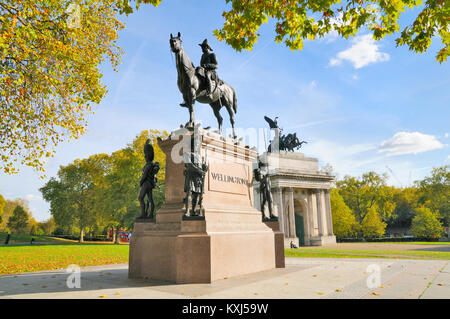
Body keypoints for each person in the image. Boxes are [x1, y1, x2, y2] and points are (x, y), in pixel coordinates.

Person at [138, 140, 160, 219]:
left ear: (148, 156)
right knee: (150, 199)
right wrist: (145, 144)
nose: (144, 157)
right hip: (149, 184)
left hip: (146, 183)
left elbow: (144, 175)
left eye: (146, 155)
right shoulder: (151, 164)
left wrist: (140, 182)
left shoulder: (149, 165)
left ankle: (144, 214)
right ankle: (150, 214)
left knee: (140, 198)